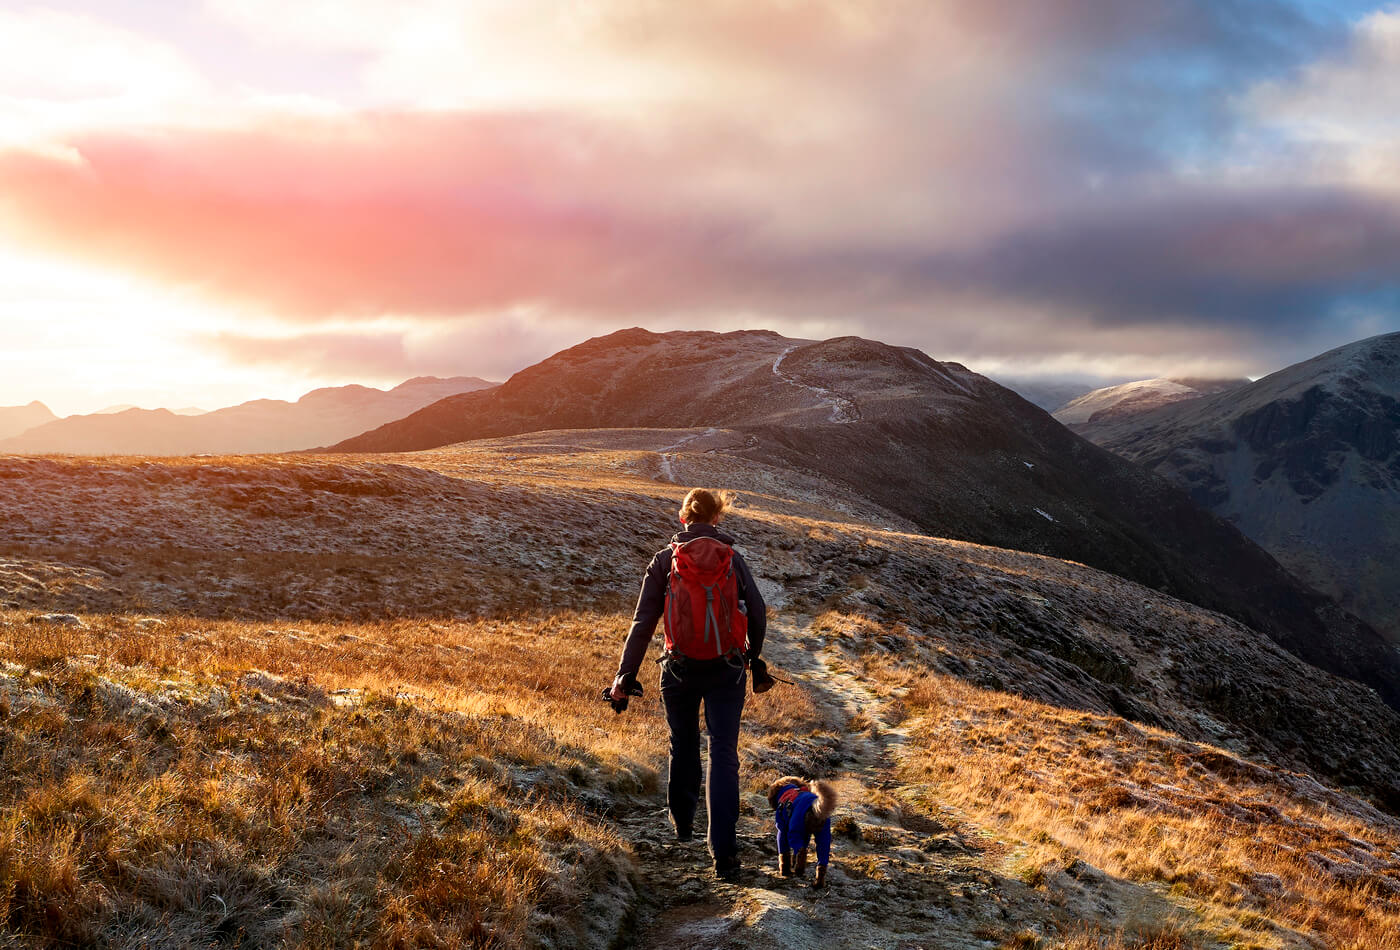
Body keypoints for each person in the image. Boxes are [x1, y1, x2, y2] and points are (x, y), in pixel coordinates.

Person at [609, 488, 769, 881]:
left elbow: (642, 623)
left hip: (677, 668)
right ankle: (725, 854)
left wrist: (624, 676)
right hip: (726, 669)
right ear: (717, 519)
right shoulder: (732, 559)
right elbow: (759, 611)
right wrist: (752, 657)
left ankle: (682, 824)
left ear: (683, 519)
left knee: (683, 744)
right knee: (723, 753)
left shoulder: (665, 561)